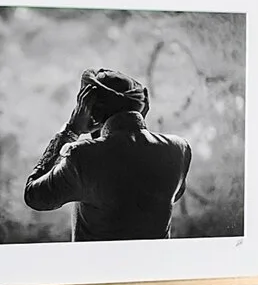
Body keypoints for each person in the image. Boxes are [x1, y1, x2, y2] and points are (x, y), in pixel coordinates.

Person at [23, 70, 193, 240]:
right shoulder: (178, 150)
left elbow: (34, 196)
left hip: (98, 265)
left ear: (90, 110)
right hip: (155, 265)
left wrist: (71, 130)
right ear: (141, 105)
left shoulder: (81, 157)